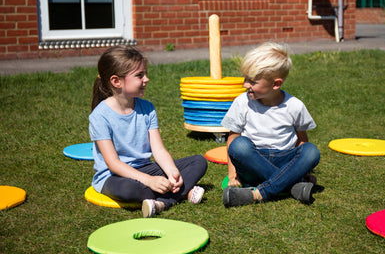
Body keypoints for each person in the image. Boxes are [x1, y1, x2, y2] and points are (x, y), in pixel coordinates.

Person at [89, 45, 208, 217]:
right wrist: (149, 181)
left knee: (198, 162)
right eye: (139, 75)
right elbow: (113, 163)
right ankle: (183, 192)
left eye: (145, 73)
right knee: (130, 190)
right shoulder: (99, 116)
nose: (146, 79)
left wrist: (171, 172)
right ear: (116, 81)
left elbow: (158, 150)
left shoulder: (147, 108)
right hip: (113, 177)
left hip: (145, 168)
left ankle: (162, 203)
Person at [221, 42, 320, 207]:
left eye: (252, 82)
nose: (245, 85)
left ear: (276, 84)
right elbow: (232, 140)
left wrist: (305, 169)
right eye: (246, 79)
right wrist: (232, 176)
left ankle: (258, 193)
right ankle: (292, 186)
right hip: (252, 166)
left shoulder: (295, 106)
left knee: (311, 152)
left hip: (284, 161)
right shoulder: (241, 102)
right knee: (239, 146)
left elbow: (302, 140)